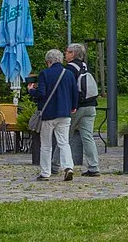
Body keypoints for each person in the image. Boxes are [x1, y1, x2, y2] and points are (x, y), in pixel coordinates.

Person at [28, 47, 78, 182]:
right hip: (65, 112)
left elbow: (41, 93)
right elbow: (74, 92)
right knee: (64, 142)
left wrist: (32, 91)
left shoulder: (45, 74)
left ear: (48, 61)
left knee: (46, 144)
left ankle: (45, 172)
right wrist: (73, 106)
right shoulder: (69, 74)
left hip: (49, 113)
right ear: (60, 60)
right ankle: (68, 167)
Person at [65, 43, 101, 176]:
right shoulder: (85, 65)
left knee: (64, 137)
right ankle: (94, 166)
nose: (65, 54)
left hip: (77, 106)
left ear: (73, 54)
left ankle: (55, 165)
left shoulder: (70, 68)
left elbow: (68, 87)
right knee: (87, 137)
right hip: (91, 105)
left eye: (68, 52)